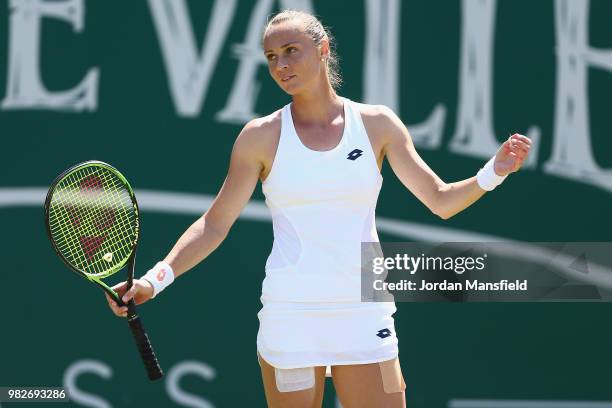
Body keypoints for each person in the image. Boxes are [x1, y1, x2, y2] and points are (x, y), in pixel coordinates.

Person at [105, 9, 531, 408]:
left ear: (323, 49)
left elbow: (440, 200)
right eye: (271, 57)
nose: (281, 65)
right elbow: (215, 224)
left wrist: (494, 171)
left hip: (364, 311)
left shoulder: (378, 124)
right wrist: (153, 281)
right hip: (291, 315)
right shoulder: (259, 137)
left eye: (292, 51)